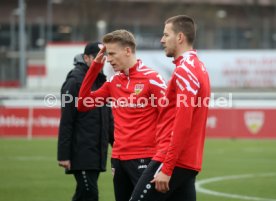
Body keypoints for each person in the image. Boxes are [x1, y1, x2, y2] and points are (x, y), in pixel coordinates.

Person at [77, 30, 167, 201]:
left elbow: (170, 119)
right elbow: (82, 104)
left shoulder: (152, 79)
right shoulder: (113, 82)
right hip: (118, 159)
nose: (108, 59)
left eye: (111, 54)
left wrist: (163, 160)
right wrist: (95, 66)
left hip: (145, 158)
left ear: (127, 51)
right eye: (106, 54)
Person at [130, 15, 211, 201]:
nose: (162, 40)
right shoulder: (198, 67)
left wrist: (166, 168)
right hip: (187, 161)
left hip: (173, 160)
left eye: (166, 35)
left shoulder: (185, 70)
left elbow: (183, 124)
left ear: (180, 37)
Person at [57, 42, 114, 201]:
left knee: (84, 195)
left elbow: (108, 119)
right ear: (86, 58)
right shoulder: (75, 82)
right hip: (81, 152)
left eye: (104, 57)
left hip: (96, 153)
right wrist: (63, 155)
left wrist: (117, 144)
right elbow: (67, 120)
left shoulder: (102, 81)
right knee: (89, 194)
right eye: (98, 57)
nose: (101, 61)